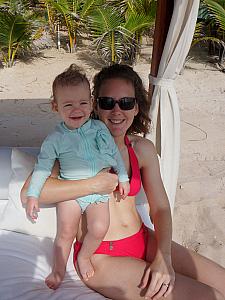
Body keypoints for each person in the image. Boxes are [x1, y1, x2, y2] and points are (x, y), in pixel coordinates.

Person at [21, 64, 225, 300]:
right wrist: (94, 184)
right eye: (108, 102)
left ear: (136, 107)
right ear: (95, 105)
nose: (117, 111)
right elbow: (31, 191)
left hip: (143, 237)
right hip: (102, 256)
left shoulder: (143, 149)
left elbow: (160, 208)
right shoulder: (73, 148)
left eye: (126, 102)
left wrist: (163, 256)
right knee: (209, 297)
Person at [23, 64, 130, 289]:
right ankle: (58, 269)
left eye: (82, 103)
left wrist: (123, 177)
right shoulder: (55, 139)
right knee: (65, 232)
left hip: (98, 194)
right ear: (55, 106)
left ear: (91, 103)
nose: (76, 109)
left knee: (99, 227)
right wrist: (33, 195)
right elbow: (42, 167)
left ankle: (84, 256)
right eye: (68, 105)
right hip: (72, 191)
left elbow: (114, 154)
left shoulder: (100, 129)